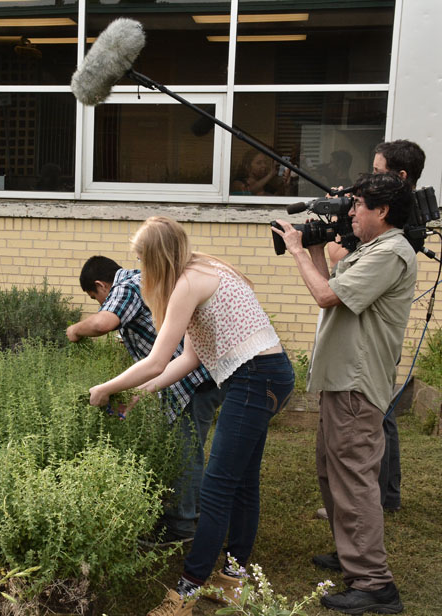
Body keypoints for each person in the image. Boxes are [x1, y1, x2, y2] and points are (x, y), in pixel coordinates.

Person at [88, 218, 294, 616]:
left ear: (156, 257)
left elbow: (157, 359)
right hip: (268, 374)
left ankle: (187, 590)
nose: (139, 267)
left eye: (140, 258)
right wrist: (138, 394)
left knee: (217, 488)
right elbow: (189, 358)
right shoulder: (205, 270)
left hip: (254, 378)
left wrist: (107, 388)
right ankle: (234, 581)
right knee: (242, 480)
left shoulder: (186, 283)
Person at [273, 172, 414, 614]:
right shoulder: (370, 249)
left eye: (359, 206)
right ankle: (350, 553)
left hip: (357, 383)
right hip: (339, 381)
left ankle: (374, 583)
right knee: (331, 474)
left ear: (383, 211)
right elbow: (331, 283)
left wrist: (296, 250)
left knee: (353, 481)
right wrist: (315, 246)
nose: (351, 212)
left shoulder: (391, 253)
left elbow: (325, 297)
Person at [66, 256, 224, 543]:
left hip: (189, 378)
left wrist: (75, 330)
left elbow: (103, 323)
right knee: (189, 448)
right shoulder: (142, 279)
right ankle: (194, 513)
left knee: (183, 452)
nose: (101, 304)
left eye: (96, 297)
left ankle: (180, 527)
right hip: (194, 374)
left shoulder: (125, 288)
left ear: (101, 285)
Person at [319, 139, 425, 520]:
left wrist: (327, 244)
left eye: (378, 174)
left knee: (369, 433)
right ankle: (366, 505)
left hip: (363, 365)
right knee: (358, 443)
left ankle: (377, 500)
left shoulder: (397, 238)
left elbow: (335, 275)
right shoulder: (384, 228)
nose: (353, 204)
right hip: (352, 361)